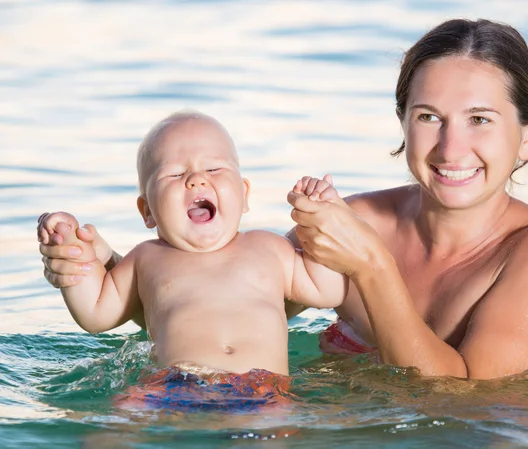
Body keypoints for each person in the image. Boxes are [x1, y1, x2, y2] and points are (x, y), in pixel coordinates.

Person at [39, 18, 528, 381]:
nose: (451, 147)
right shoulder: (359, 218)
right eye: (428, 117)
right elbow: (217, 301)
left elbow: (465, 406)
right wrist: (106, 266)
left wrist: (372, 268)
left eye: (480, 120)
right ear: (403, 122)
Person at [40, 110, 347, 393]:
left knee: (273, 433)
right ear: (147, 211)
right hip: (172, 384)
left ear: (244, 194)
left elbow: (328, 291)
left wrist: (322, 220)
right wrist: (71, 250)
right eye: (174, 174)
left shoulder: (269, 248)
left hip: (262, 388)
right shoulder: (145, 259)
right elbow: (95, 313)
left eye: (214, 168)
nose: (196, 179)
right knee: (119, 421)